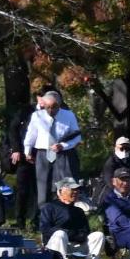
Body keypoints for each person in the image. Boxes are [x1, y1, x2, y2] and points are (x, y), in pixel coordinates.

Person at [24, 89, 82, 221]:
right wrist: (27, 151)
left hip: (63, 154)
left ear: (59, 105)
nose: (50, 110)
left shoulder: (69, 115)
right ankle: (43, 218)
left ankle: (65, 216)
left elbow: (77, 137)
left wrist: (63, 145)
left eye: (54, 107)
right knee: (43, 187)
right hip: (43, 154)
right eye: (48, 107)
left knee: (64, 185)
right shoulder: (37, 116)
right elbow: (31, 135)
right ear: (43, 104)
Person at [39, 179, 101, 259]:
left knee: (98, 236)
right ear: (60, 191)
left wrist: (79, 236)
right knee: (60, 234)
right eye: (72, 189)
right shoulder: (49, 207)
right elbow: (44, 228)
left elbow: (85, 231)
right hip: (54, 246)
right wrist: (67, 233)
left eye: (77, 190)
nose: (76, 192)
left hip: (75, 244)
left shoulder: (79, 211)